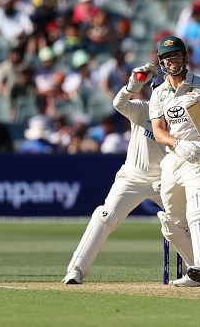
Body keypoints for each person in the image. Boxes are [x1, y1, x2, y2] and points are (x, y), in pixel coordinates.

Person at [62, 62, 166, 284]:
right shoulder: (142, 108)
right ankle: (76, 270)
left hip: (164, 180)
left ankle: (195, 271)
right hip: (132, 177)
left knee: (186, 220)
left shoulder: (180, 119)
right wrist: (132, 85)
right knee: (105, 215)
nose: (158, 96)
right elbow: (119, 103)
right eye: (156, 91)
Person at [149, 35, 200, 288]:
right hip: (174, 159)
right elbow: (158, 131)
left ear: (185, 57)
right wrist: (177, 143)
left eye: (175, 56)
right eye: (166, 58)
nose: (171, 61)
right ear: (161, 62)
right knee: (172, 222)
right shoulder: (159, 94)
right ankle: (197, 271)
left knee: (199, 212)